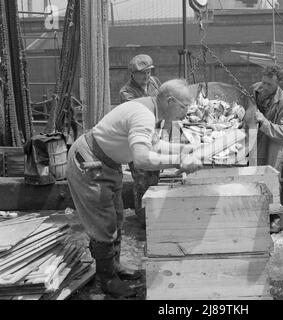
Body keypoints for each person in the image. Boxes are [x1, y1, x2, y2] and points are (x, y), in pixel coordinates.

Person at [66, 79, 202, 298]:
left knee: (116, 216)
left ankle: (115, 266)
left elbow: (154, 145)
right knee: (104, 223)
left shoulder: (150, 108)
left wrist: (185, 148)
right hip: (90, 163)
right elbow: (140, 159)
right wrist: (179, 161)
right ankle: (107, 279)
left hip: (105, 163)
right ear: (170, 101)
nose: (185, 113)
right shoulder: (144, 115)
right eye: (184, 106)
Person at [119, 54, 162, 225]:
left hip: (154, 136)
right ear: (133, 74)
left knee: (155, 175)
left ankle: (153, 211)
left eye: (149, 72)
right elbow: (141, 113)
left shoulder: (154, 83)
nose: (147, 77)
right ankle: (143, 217)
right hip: (138, 140)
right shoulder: (126, 92)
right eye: (143, 73)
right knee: (141, 179)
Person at [252, 65, 283, 172]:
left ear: (278, 83)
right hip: (254, 144)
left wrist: (264, 122)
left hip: (270, 148)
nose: (265, 87)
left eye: (269, 84)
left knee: (268, 179)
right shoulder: (255, 89)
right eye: (264, 82)